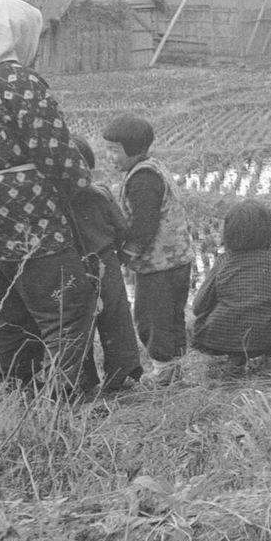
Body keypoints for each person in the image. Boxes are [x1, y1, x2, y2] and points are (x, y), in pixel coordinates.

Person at [0, 0, 97, 399]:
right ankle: (66, 402)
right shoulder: (18, 81)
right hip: (31, 219)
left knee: (9, 315)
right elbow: (54, 149)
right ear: (19, 34)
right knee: (66, 311)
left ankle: (18, 396)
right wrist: (84, 187)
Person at [102, 115, 194, 386]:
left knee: (150, 318)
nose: (109, 156)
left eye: (114, 150)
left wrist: (127, 254)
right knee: (171, 316)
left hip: (159, 264)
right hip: (178, 259)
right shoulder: (152, 167)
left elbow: (144, 224)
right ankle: (174, 368)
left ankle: (164, 372)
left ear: (134, 149)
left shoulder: (142, 179)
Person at [68, 136, 143, 394]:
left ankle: (84, 379)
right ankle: (122, 374)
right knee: (116, 319)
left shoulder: (52, 202)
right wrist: (119, 254)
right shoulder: (101, 193)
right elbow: (121, 227)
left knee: (77, 323)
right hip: (105, 262)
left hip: (70, 268)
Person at [192, 199, 271, 369]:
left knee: (193, 320)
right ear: (268, 229)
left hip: (221, 339)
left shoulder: (224, 261)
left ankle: (235, 357)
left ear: (229, 232)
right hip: (267, 336)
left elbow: (199, 306)